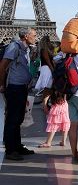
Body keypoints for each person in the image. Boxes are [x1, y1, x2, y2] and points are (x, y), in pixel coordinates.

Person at [0, 27, 38, 161]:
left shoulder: (25, 49)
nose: (36, 37)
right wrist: (2, 85)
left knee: (18, 118)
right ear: (26, 36)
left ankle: (17, 146)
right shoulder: (13, 47)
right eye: (34, 35)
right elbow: (3, 65)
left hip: (21, 87)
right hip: (14, 88)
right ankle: (10, 150)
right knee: (12, 118)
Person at [35, 35, 55, 114]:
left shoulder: (45, 49)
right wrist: (52, 69)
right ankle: (45, 105)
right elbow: (48, 61)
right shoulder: (44, 50)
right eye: (48, 40)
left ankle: (45, 105)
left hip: (46, 68)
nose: (50, 41)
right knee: (48, 87)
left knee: (48, 88)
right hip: (47, 69)